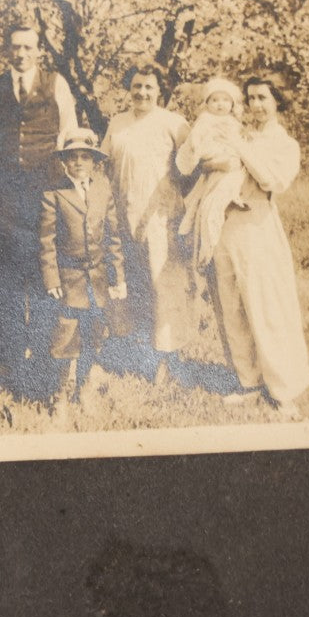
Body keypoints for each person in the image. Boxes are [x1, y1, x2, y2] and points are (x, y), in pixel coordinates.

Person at [177, 75, 309, 420]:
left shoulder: (285, 144)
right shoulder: (237, 130)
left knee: (266, 306)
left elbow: (272, 179)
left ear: (277, 102)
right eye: (251, 98)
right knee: (231, 304)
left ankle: (283, 390)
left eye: (263, 98)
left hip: (258, 228)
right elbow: (204, 164)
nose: (256, 105)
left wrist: (239, 150)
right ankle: (248, 381)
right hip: (225, 227)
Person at [0, 24, 80, 387]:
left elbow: (69, 134)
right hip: (0, 195)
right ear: (7, 50)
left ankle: (44, 355)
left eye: (28, 47)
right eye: (15, 47)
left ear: (39, 50)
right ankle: (12, 355)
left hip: (44, 192)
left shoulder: (56, 84)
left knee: (44, 272)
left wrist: (58, 180)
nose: (22, 53)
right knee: (4, 275)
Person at [100, 64, 193, 382]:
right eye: (137, 86)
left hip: (161, 219)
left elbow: (194, 167)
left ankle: (168, 358)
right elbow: (104, 166)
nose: (142, 93)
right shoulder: (118, 123)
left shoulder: (174, 124)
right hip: (124, 218)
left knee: (163, 287)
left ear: (159, 91)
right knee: (133, 286)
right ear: (130, 88)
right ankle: (140, 349)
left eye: (149, 87)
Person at [38, 128, 127, 410]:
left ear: (94, 162)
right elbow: (46, 241)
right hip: (69, 278)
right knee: (66, 336)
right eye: (72, 157)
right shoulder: (54, 192)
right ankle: (61, 394)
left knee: (94, 333)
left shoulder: (103, 188)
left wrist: (118, 277)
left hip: (98, 278)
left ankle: (86, 387)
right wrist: (51, 278)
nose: (78, 163)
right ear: (64, 162)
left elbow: (113, 237)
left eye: (85, 157)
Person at [176, 78, 249, 270]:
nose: (220, 104)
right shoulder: (205, 121)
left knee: (220, 202)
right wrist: (199, 148)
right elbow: (195, 141)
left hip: (231, 170)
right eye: (214, 100)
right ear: (207, 103)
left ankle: (212, 246)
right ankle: (205, 248)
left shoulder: (235, 123)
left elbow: (241, 145)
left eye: (225, 100)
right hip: (212, 166)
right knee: (204, 205)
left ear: (232, 104)